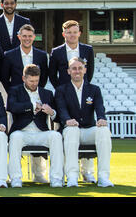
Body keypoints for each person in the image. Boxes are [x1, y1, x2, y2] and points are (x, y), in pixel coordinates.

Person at [55, 57, 113, 188]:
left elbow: (99, 107)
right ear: (68, 71)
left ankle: (103, 177)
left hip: (88, 129)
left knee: (104, 131)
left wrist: (101, 118)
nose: (77, 71)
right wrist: (67, 120)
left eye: (80, 68)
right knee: (71, 131)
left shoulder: (94, 89)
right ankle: (72, 177)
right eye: (74, 68)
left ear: (85, 70)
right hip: (71, 129)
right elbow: (61, 108)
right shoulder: (61, 90)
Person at [49, 20, 96, 182]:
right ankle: (63, 171)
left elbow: (89, 74)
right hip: (63, 97)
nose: (72, 35)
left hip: (83, 96)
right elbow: (52, 75)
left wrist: (80, 88)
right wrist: (63, 91)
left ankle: (87, 171)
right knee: (63, 134)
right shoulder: (57, 52)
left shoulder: (88, 50)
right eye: (69, 32)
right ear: (64, 34)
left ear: (79, 33)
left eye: (75, 32)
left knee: (87, 129)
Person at [7, 64, 64, 188]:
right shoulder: (15, 91)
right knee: (15, 138)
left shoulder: (47, 93)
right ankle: (16, 178)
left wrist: (51, 112)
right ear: (24, 78)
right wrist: (32, 105)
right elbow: (12, 107)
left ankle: (56, 178)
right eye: (31, 80)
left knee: (55, 136)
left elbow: (58, 117)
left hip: (41, 132)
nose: (34, 83)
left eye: (36, 80)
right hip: (22, 132)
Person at [1, 24, 48, 93]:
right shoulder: (9, 55)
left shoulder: (42, 55)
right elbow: (4, 78)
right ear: (19, 37)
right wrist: (11, 92)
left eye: (30, 36)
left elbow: (44, 77)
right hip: (16, 95)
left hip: (35, 94)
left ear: (34, 37)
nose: (27, 39)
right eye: (24, 36)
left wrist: (36, 91)